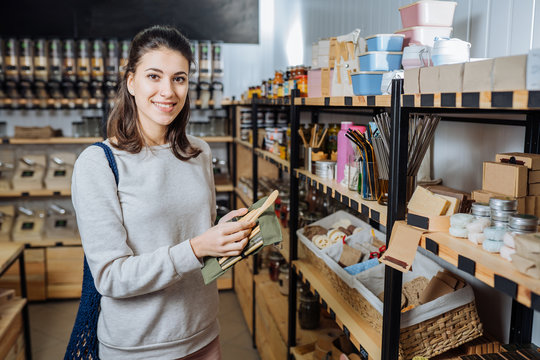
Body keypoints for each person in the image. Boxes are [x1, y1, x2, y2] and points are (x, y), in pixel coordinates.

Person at [71, 25, 255, 359]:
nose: (167, 91)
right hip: (138, 346)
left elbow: (193, 233)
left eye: (179, 78)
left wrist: (225, 232)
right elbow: (111, 277)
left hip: (203, 333)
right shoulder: (98, 163)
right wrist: (197, 248)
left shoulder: (199, 153)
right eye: (154, 76)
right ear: (131, 82)